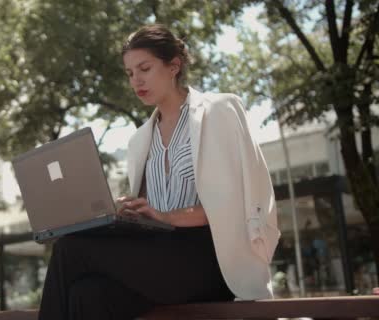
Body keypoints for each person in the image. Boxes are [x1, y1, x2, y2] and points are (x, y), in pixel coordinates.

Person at [37, 24, 281, 320]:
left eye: (144, 68)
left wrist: (167, 216)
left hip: (209, 259)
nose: (136, 80)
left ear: (174, 66)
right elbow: (150, 210)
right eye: (129, 73)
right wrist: (129, 213)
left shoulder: (219, 111)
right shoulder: (140, 139)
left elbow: (231, 205)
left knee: (69, 249)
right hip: (161, 257)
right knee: (86, 295)